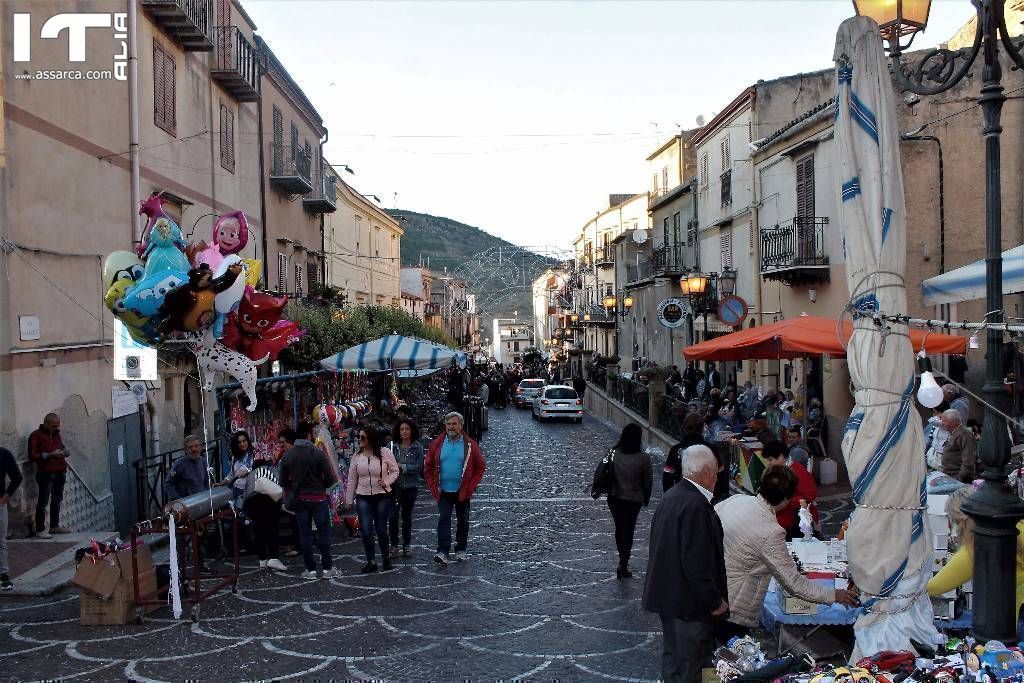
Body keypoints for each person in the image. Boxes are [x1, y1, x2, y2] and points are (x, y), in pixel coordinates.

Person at [715, 466, 859, 640]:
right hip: (735, 606)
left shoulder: (735, 500)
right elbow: (793, 583)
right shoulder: (771, 532)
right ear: (786, 500)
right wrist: (834, 595)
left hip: (714, 592)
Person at [643, 445, 728, 683]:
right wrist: (714, 601)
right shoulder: (695, 506)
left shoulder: (673, 496)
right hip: (688, 605)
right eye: (716, 473)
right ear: (708, 473)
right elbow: (696, 563)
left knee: (674, 661)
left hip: (670, 599)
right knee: (692, 667)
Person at [928, 486, 1024, 620]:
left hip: (1015, 616)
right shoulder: (1018, 525)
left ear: (958, 520)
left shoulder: (975, 548)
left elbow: (935, 586)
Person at [424, 412, 486, 565]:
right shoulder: (437, 444)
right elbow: (428, 466)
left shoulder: (470, 445)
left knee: (463, 520)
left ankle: (461, 549)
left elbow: (480, 466)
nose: (451, 427)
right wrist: (433, 486)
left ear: (461, 426)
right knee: (444, 519)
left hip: (462, 491)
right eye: (448, 424)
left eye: (454, 424)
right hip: (443, 490)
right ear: (445, 426)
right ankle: (443, 551)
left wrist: (471, 486)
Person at [280, 421, 338, 580]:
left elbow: (282, 480)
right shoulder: (318, 453)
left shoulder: (288, 455)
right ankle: (327, 569)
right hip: (319, 499)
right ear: (308, 434)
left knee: (305, 535)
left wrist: (292, 489)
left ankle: (310, 570)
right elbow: (331, 478)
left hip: (299, 500)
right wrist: (321, 485)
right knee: (324, 533)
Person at [344, 427, 399, 573]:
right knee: (366, 530)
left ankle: (386, 559)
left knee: (381, 529)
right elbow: (351, 478)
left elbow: (395, 470)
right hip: (363, 495)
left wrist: (386, 481)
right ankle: (371, 561)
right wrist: (349, 499)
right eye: (359, 437)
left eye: (363, 438)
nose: (359, 440)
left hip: (382, 495)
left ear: (371, 439)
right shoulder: (357, 456)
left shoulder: (385, 452)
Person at [605, 423, 653, 579]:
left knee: (619, 528)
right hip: (633, 499)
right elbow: (648, 481)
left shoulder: (613, 453)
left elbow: (606, 473)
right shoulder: (644, 458)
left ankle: (622, 560)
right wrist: (646, 497)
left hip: (615, 497)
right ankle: (624, 562)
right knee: (629, 529)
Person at [28, 413, 70, 538]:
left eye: (58, 426)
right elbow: (32, 455)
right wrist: (50, 454)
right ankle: (40, 529)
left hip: (60, 471)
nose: (56, 428)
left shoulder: (57, 434)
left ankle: (54, 526)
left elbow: (61, 447)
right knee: (43, 501)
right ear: (46, 424)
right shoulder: (36, 435)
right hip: (46, 473)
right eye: (53, 426)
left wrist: (64, 451)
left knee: (57, 500)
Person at [388, 419, 425, 559]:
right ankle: (394, 545)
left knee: (407, 516)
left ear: (412, 431)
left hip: (410, 486)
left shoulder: (417, 447)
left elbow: (418, 467)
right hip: (394, 486)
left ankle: (407, 544)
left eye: (407, 429)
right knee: (393, 516)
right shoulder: (392, 446)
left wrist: (402, 467)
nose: (404, 431)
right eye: (402, 429)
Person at [664, 413, 708, 493]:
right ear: (702, 429)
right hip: (704, 498)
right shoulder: (711, 450)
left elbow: (667, 477)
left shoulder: (675, 450)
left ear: (684, 428)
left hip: (681, 496)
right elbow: (719, 476)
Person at [0, 446, 24, 592]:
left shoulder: (3, 454)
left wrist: (5, 497)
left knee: (0, 541)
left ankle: (3, 576)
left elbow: (17, 477)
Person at [164, 435, 210, 501]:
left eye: (196, 446)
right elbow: (168, 484)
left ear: (200, 447)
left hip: (203, 501)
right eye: (190, 447)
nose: (194, 449)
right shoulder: (179, 464)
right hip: (187, 504)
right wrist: (178, 500)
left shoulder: (204, 461)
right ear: (186, 450)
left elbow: (207, 481)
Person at [940, 408, 977, 483]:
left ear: (953, 422)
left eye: (944, 421)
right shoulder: (955, 433)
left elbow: (968, 459)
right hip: (951, 475)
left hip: (958, 477)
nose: (942, 423)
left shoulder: (964, 434)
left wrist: (960, 477)